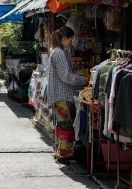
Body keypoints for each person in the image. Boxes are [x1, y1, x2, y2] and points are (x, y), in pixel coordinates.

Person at [47, 26, 88, 163]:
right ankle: (64, 155)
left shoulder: (57, 52)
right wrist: (85, 79)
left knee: (61, 124)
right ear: (64, 39)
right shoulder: (59, 53)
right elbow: (66, 77)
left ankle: (60, 152)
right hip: (62, 95)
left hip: (59, 95)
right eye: (70, 39)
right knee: (66, 125)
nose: (71, 42)